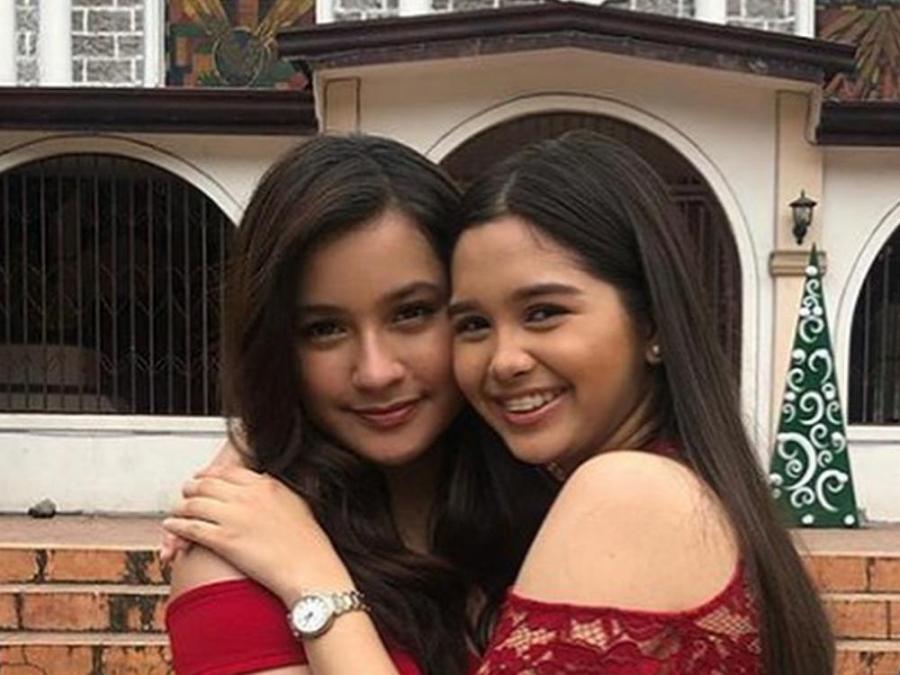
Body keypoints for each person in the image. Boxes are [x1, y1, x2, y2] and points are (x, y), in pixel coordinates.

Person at [163, 134, 554, 675]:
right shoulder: (237, 561)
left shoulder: (558, 502)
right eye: (324, 329)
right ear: (278, 347)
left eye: (411, 313)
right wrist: (317, 587)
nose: (376, 372)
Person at [448, 130, 833, 673]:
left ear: (651, 323)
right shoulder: (697, 489)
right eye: (472, 324)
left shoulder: (629, 492)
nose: (503, 360)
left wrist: (328, 594)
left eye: (544, 312)